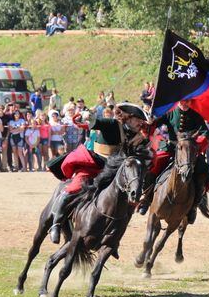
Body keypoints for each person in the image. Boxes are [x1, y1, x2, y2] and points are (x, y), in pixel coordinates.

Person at [46, 102, 149, 244]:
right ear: (129, 118)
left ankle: (114, 239)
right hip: (94, 165)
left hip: (114, 172)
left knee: (128, 201)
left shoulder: (136, 135)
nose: (140, 123)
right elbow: (94, 122)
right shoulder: (113, 124)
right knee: (73, 188)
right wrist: (87, 116)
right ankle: (56, 225)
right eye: (138, 120)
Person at [142, 99, 209, 224]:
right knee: (153, 165)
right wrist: (150, 122)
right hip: (171, 148)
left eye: (187, 102)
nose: (185, 104)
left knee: (203, 171)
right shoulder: (170, 113)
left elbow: (205, 133)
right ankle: (146, 199)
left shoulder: (196, 115)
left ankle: (193, 206)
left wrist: (197, 146)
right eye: (182, 102)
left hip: (189, 151)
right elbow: (153, 125)